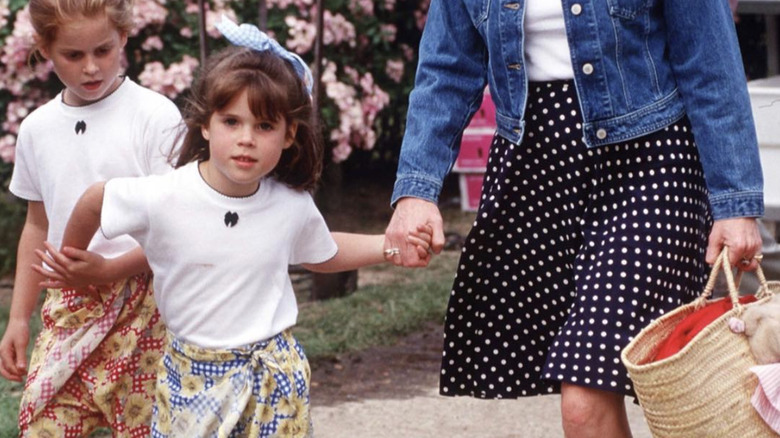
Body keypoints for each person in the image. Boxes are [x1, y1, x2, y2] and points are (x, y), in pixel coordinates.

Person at [384, 0, 764, 437]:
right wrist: (416, 188)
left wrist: (735, 203)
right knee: (582, 381)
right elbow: (447, 69)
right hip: (535, 169)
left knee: (584, 397)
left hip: (649, 163)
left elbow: (709, 62)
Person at [57, 17, 432, 437]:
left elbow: (323, 252)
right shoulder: (164, 195)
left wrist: (390, 246)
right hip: (191, 378)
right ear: (205, 123)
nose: (246, 138)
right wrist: (71, 263)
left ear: (289, 134)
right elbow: (93, 199)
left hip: (273, 376)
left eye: (265, 126)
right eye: (231, 122)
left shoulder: (289, 205)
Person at [0, 0, 182, 436]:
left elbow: (178, 225)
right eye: (73, 55)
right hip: (70, 302)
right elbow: (38, 225)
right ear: (44, 48)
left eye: (102, 51)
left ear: (123, 35)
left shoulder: (155, 116)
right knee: (43, 422)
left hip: (148, 305)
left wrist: (111, 267)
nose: (91, 68)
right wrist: (19, 316)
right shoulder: (37, 129)